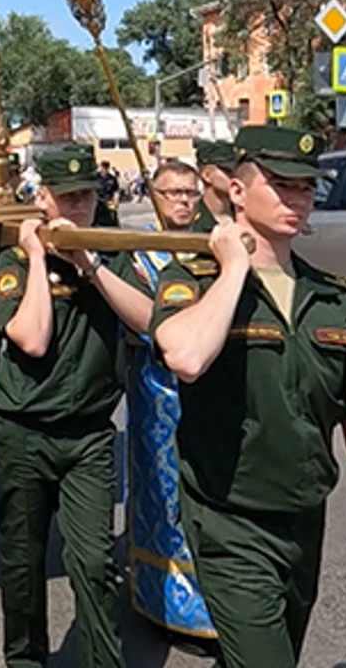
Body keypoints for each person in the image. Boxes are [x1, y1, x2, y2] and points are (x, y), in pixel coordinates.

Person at [153, 126, 346, 667]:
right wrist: (235, 267)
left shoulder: (327, 296)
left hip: (304, 520)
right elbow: (186, 357)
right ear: (238, 190)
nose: (297, 199)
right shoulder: (193, 279)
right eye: (280, 184)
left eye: (307, 187)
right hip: (229, 522)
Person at [0, 143, 153, 668]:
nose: (79, 207)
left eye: (87, 196)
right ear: (44, 198)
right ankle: (26, 660)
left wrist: (93, 265)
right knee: (23, 561)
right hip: (24, 432)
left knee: (94, 563)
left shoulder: (112, 251)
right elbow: (31, 339)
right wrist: (40, 257)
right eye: (68, 197)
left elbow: (147, 322)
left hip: (88, 435)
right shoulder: (12, 258)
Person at [114, 160, 216, 645]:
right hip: (155, 390)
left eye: (189, 193)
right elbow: (139, 321)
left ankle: (212, 601)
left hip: (208, 387)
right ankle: (159, 599)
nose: (182, 201)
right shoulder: (140, 255)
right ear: (153, 195)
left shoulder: (212, 246)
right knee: (159, 492)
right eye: (171, 192)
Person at [192, 139, 238, 231]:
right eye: (228, 171)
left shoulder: (246, 216)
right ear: (207, 175)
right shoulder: (191, 219)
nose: (236, 176)